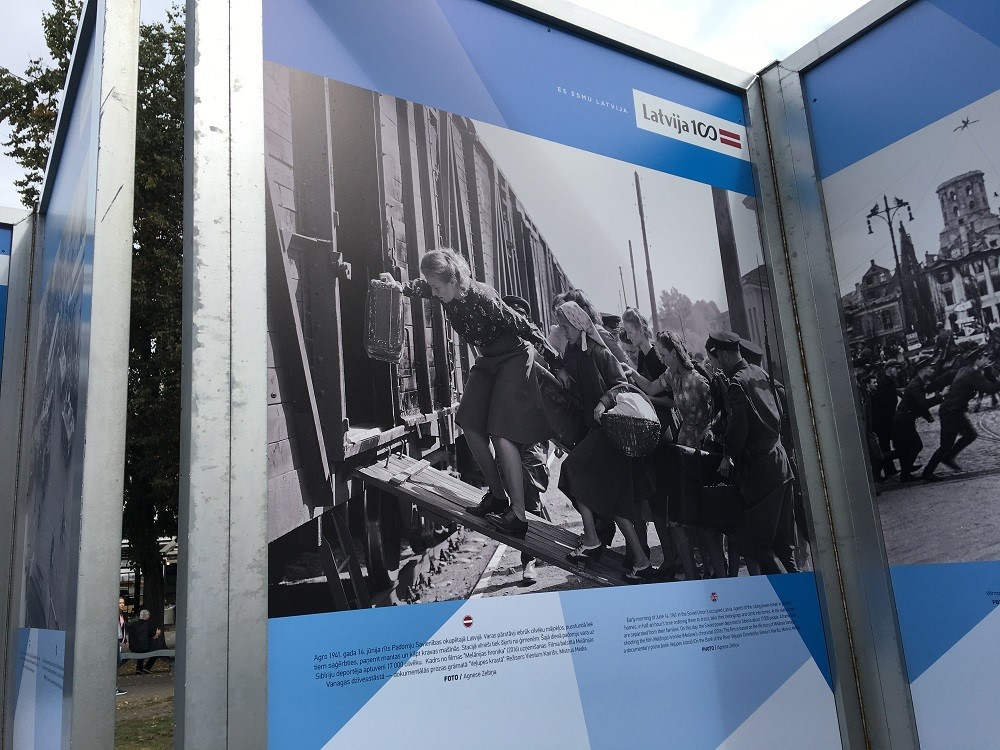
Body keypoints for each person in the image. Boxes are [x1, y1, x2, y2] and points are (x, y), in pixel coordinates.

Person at [381, 249, 558, 538]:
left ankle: (518, 516)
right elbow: (418, 287)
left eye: (438, 288)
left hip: (513, 357)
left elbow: (525, 328)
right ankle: (498, 497)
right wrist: (396, 285)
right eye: (433, 287)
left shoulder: (482, 297)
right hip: (489, 359)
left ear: (453, 281)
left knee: (501, 432)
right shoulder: (442, 289)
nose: (434, 294)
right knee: (469, 422)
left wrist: (557, 361)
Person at [554, 301, 656, 582]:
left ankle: (591, 540)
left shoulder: (599, 351)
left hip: (611, 430)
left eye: (564, 326)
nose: (562, 331)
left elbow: (622, 384)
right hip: (596, 431)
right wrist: (560, 372)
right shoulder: (572, 351)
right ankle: (643, 563)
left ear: (577, 324)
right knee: (618, 502)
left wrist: (603, 401)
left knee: (571, 470)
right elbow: (569, 379)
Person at [629, 331, 727, 579]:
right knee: (681, 517)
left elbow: (716, 414)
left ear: (674, 352)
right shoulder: (672, 375)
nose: (660, 358)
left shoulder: (698, 380)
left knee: (704, 520)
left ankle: (718, 572)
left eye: (663, 354)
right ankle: (695, 574)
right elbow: (655, 389)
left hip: (702, 449)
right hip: (683, 446)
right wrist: (639, 385)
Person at [708, 331, 791, 575]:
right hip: (781, 460)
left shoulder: (737, 383)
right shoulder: (759, 372)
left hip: (762, 468)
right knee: (783, 546)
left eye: (718, 358)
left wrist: (727, 454)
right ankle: (801, 598)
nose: (718, 363)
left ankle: (790, 598)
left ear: (723, 355)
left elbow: (738, 429)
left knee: (756, 545)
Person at [502, 294, 552, 583]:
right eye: (513, 314)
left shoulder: (538, 351)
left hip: (533, 433)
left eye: (522, 315)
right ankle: (542, 534)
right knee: (518, 493)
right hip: (508, 433)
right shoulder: (500, 350)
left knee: (528, 487)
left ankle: (529, 560)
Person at [921, 356, 1000, 481]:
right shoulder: (972, 374)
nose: (986, 360)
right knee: (945, 445)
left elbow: (944, 379)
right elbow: (989, 389)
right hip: (950, 412)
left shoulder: (965, 370)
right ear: (977, 360)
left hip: (955, 411)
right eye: (984, 357)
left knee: (970, 435)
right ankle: (927, 472)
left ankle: (948, 458)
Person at [893, 372, 937, 481]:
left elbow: (918, 405)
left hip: (904, 418)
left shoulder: (918, 383)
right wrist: (940, 396)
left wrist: (928, 417)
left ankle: (905, 473)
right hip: (903, 419)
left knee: (906, 447)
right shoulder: (915, 386)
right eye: (928, 369)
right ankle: (905, 473)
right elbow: (923, 404)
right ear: (922, 372)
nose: (931, 370)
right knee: (916, 445)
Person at [128, 609, 163, 674]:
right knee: (157, 650)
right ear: (147, 617)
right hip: (145, 647)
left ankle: (139, 668)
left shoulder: (133, 625)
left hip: (134, 648)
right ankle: (147, 667)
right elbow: (153, 637)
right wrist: (158, 633)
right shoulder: (148, 624)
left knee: (140, 647)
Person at [117, 597, 128, 696]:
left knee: (118, 661)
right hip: (117, 640)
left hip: (120, 640)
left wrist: (125, 639)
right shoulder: (116, 614)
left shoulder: (121, 615)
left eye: (123, 603)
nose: (122, 604)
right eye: (120, 603)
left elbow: (123, 628)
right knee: (116, 661)